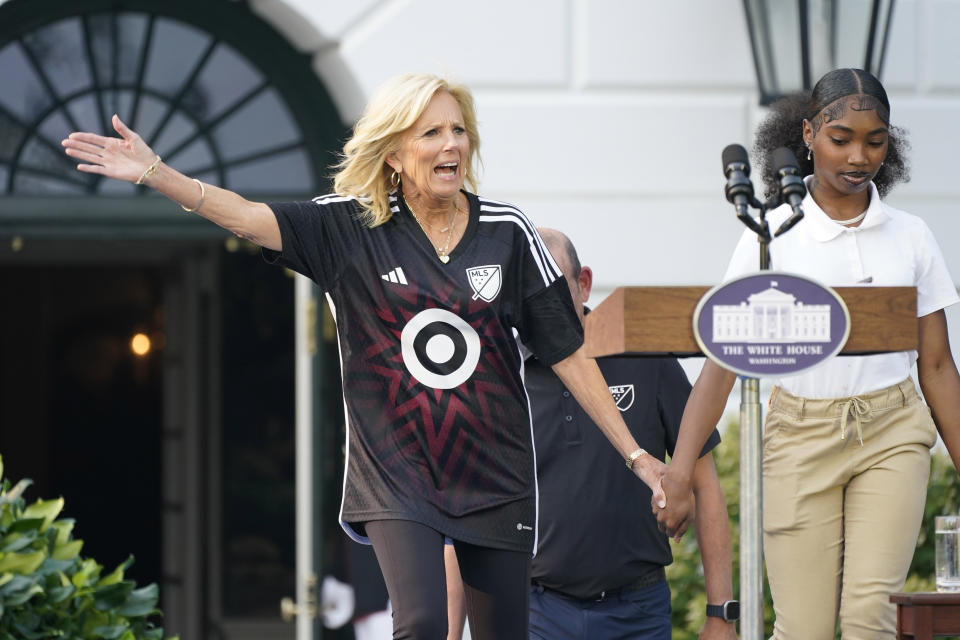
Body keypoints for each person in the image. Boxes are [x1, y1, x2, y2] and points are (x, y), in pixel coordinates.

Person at [61, 72, 674, 640]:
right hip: (397, 473)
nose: (450, 144)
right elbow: (248, 219)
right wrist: (157, 173)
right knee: (424, 622)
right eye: (430, 132)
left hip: (496, 476)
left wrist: (639, 457)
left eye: (458, 130)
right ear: (393, 152)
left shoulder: (508, 232)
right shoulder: (348, 230)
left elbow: (569, 353)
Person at [658, 68, 960, 639]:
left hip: (892, 427)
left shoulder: (912, 236)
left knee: (871, 619)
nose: (857, 156)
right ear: (807, 134)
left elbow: (938, 365)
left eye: (874, 140)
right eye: (840, 138)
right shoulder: (770, 234)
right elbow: (722, 363)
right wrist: (678, 473)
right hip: (800, 433)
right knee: (805, 629)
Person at [445, 229, 739, 640]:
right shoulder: (496, 378)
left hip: (637, 611)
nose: (537, 305)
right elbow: (466, 518)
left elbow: (705, 484)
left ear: (583, 284)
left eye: (548, 287)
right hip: (534, 612)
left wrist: (720, 613)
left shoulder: (643, 356)